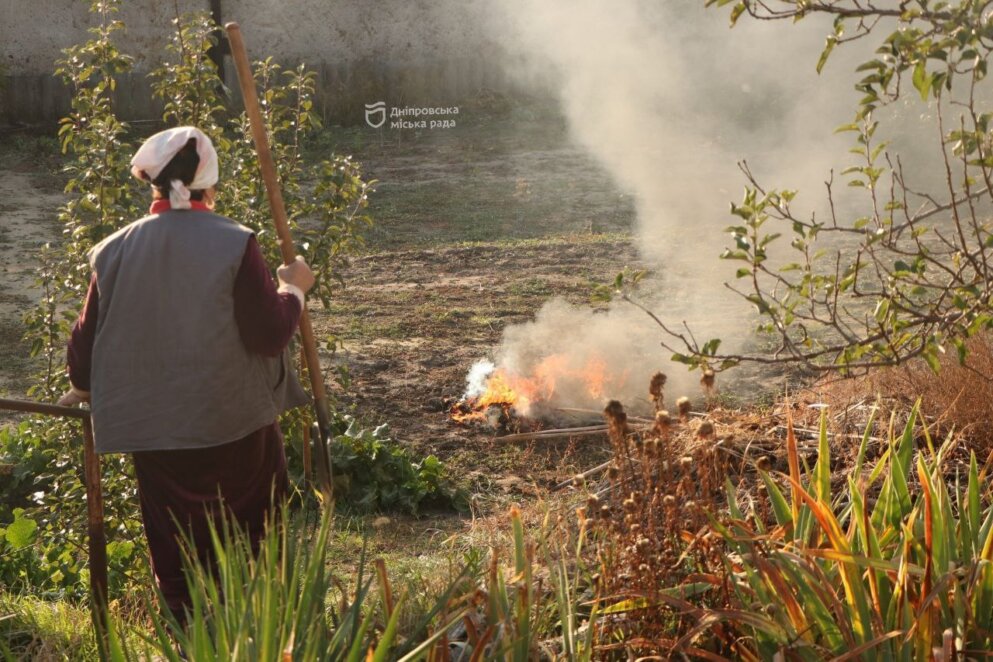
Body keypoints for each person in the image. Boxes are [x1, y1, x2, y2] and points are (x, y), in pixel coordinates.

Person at [58, 126, 313, 626]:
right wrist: (295, 290)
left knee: (177, 551)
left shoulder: (112, 250)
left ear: (152, 185)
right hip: (236, 430)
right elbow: (268, 335)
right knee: (254, 546)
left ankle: (188, 640)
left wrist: (83, 387)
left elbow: (84, 348)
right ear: (209, 187)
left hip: (158, 440)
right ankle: (263, 639)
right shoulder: (235, 243)